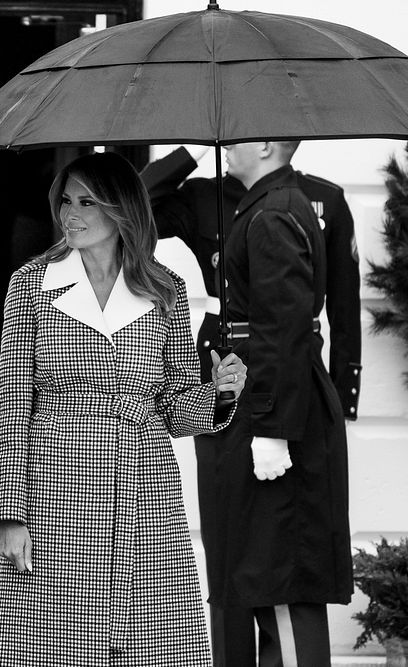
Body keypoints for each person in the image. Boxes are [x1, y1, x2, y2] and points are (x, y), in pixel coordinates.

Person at [0, 151, 248, 665]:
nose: (70, 214)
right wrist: (9, 518)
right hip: (53, 497)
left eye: (87, 202)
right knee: (49, 648)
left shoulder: (164, 287)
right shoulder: (31, 284)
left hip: (145, 498)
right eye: (66, 200)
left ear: (121, 208)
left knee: (150, 645)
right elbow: (13, 407)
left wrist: (218, 391)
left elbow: (175, 411)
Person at [206, 141, 352, 666]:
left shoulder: (272, 214)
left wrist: (272, 428)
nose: (228, 146)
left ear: (266, 144)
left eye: (241, 136)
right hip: (264, 400)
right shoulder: (269, 205)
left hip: (272, 410)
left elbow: (284, 328)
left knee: (280, 578)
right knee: (262, 574)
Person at [140, 144, 362, 415]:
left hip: (295, 359)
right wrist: (195, 148)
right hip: (222, 356)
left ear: (266, 145)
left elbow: (345, 306)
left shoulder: (323, 198)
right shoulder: (204, 196)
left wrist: (341, 399)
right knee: (224, 454)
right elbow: (131, 210)